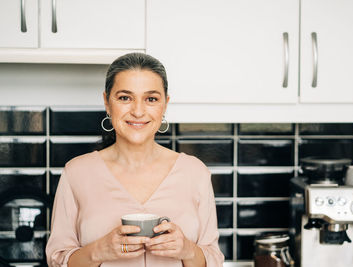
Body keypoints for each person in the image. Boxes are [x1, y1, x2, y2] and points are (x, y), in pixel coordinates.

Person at [45, 53, 224, 267]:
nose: (138, 111)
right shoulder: (76, 173)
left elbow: (213, 258)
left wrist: (187, 250)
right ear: (107, 102)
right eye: (124, 98)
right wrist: (99, 251)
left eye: (151, 99)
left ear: (165, 104)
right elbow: (57, 259)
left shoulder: (195, 172)